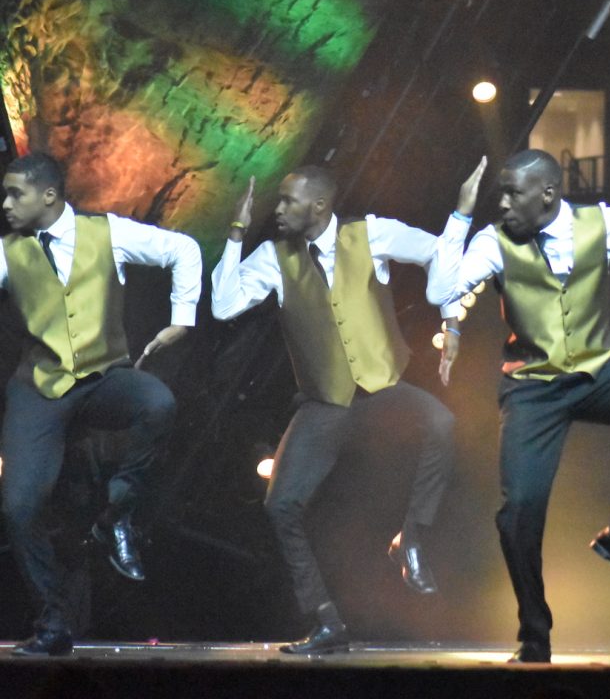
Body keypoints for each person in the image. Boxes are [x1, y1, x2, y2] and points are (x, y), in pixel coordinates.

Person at [428, 149, 610, 664]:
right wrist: (461, 217)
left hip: (595, 373)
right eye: (500, 193)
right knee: (519, 513)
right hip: (532, 386)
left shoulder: (603, 223)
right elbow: (443, 290)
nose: (503, 202)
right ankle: (535, 633)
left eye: (513, 192)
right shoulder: (493, 240)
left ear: (548, 194)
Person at [211, 165, 462, 655]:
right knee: (280, 504)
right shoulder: (272, 257)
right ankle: (327, 622)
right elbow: (224, 306)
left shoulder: (372, 234)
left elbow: (440, 251)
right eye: (278, 202)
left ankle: (409, 539)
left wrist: (450, 317)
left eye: (288, 201)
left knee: (442, 422)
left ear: (319, 206)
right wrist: (236, 232)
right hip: (327, 402)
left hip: (382, 388)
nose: (278, 210)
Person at [0, 151, 202, 657]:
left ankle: (117, 513)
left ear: (48, 195)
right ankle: (53, 623)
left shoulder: (109, 233)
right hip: (40, 388)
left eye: (14, 194)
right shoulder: (7, 252)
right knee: (19, 507)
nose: (5, 204)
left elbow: (184, 249)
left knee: (157, 402)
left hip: (102, 378)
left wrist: (182, 317)